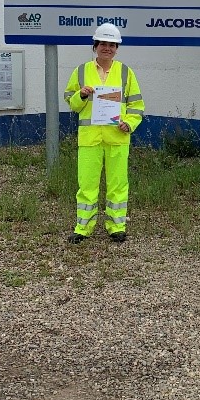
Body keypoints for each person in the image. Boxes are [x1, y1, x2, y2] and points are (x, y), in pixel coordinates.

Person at [64, 23, 145, 244]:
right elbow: (72, 104)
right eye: (103, 44)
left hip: (117, 137)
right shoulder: (81, 71)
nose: (107, 48)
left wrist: (129, 123)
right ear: (95, 46)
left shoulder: (126, 72)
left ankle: (117, 227)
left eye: (111, 44)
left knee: (118, 184)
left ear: (117, 48)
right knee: (87, 185)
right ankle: (83, 227)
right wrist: (80, 95)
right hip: (90, 138)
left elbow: (136, 105)